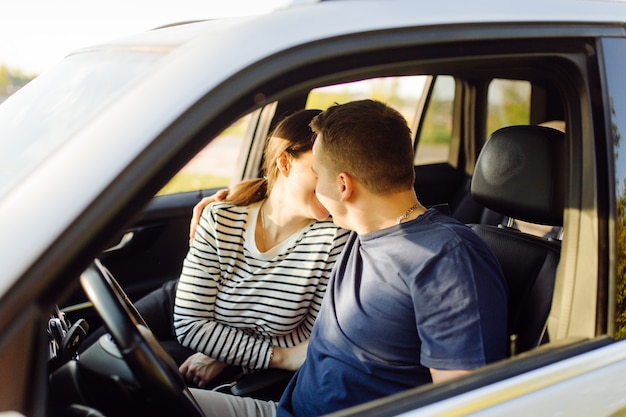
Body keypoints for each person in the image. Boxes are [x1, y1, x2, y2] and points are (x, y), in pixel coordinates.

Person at [189, 99, 508, 416]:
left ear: (343, 186)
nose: (316, 186)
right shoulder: (361, 233)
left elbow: (465, 406)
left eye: (317, 173)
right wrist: (232, 204)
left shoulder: (447, 258)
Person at [81, 109, 349, 390]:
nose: (332, 185)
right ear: (284, 163)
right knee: (88, 355)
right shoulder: (221, 216)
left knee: (118, 378)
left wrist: (226, 357)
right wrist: (259, 353)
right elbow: (189, 323)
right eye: (320, 171)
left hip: (230, 349)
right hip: (180, 305)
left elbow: (305, 342)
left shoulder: (335, 238)